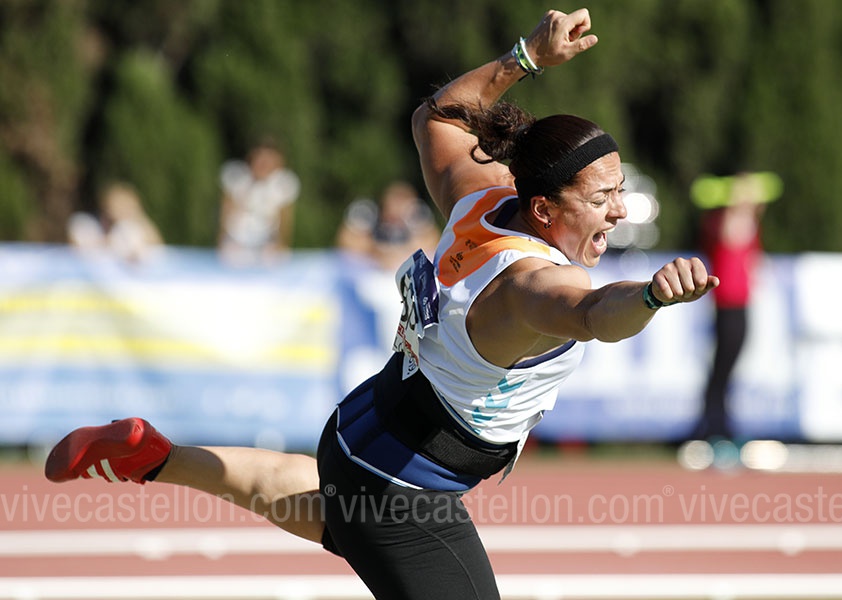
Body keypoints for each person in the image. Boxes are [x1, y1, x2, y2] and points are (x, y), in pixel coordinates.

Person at [44, 9, 718, 599]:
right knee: (360, 521)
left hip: (360, 431)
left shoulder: (479, 196)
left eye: (618, 191)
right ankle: (165, 461)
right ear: (542, 209)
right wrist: (651, 294)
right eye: (600, 199)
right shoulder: (527, 285)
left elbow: (438, 116)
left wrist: (526, 56)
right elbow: (596, 314)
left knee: (336, 512)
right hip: (407, 488)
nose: (619, 211)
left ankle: (157, 456)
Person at [693, 172, 769, 445]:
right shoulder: (720, 221)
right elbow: (731, 234)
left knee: (728, 367)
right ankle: (713, 426)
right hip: (726, 305)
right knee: (721, 367)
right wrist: (737, 202)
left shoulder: (749, 224)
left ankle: (719, 423)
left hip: (741, 305)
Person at [218, 139, 300, 267]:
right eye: (259, 160)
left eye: (268, 161)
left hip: (267, 242)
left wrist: (282, 244)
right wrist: (221, 240)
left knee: (276, 261)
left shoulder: (283, 185)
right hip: (237, 241)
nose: (262, 165)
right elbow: (226, 213)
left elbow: (285, 220)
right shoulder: (237, 178)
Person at [335, 180, 441, 271]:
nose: (396, 209)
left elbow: (432, 243)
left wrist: (398, 254)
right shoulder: (370, 214)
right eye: (393, 203)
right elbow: (345, 241)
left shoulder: (417, 218)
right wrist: (377, 252)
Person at [67, 182, 164, 264]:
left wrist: (138, 217)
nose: (122, 210)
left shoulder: (128, 230)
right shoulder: (85, 224)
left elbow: (158, 247)